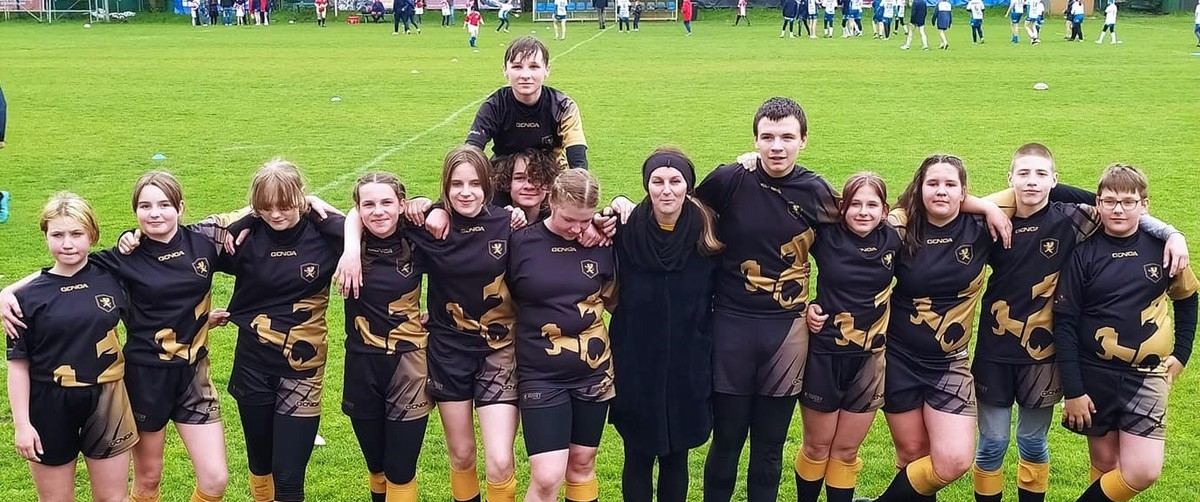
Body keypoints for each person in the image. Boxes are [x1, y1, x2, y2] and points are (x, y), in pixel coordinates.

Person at [969, 146, 1188, 502]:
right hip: (994, 350)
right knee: (992, 443)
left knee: (1031, 441)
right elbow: (947, 206)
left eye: (1041, 174)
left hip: (1043, 354)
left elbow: (1122, 208)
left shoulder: (1074, 218)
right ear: (1009, 178)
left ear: (1055, 180)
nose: (1032, 181)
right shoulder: (992, 221)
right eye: (1023, 173)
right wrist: (986, 207)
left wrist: (1172, 233)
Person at [341, 146, 521, 502]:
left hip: (497, 353)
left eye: (474, 183)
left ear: (487, 185)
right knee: (462, 455)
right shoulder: (426, 227)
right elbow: (363, 211)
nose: (466, 192)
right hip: (448, 352)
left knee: (500, 462)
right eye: (456, 184)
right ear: (445, 187)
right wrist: (350, 248)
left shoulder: (508, 223)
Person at [690, 97, 841, 502]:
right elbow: (678, 216)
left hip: (787, 333)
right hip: (731, 326)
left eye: (787, 137)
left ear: (803, 140)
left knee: (770, 446)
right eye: (768, 137)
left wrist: (822, 303)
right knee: (726, 441)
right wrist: (619, 208)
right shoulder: (728, 179)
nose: (777, 147)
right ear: (754, 140)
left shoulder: (817, 191)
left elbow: (847, 253)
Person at [1054, 164, 1198, 502]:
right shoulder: (1083, 254)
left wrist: (1182, 353)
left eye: (1128, 202)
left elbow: (1188, 298)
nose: (1118, 209)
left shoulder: (1163, 249)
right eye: (1109, 201)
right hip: (1095, 374)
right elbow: (1065, 323)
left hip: (1147, 375)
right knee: (1105, 465)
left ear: (1144, 205)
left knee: (1143, 471)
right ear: (1098, 204)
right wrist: (1074, 391)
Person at [855, 155, 996, 501]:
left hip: (949, 362)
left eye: (950, 184)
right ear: (919, 188)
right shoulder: (900, 227)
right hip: (898, 357)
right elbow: (847, 217)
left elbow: (1035, 192)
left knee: (954, 460)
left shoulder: (979, 226)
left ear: (964, 191)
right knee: (912, 454)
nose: (941, 191)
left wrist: (987, 207)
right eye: (933, 184)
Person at [218, 159, 345, 502]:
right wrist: (132, 237)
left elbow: (376, 225)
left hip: (303, 370)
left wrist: (321, 207)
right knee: (260, 465)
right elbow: (179, 242)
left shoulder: (326, 234)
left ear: (301, 197)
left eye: (285, 205)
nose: (275, 215)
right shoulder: (243, 236)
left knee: (288, 476)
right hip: (252, 366)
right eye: (266, 206)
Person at [5, 192, 138, 502]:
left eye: (77, 234)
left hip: (107, 399)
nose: (67, 243)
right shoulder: (25, 299)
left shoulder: (113, 276)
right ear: (46, 236)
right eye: (58, 235)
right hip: (49, 404)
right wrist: (22, 424)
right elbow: (18, 365)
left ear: (92, 235)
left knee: (112, 498)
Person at [606, 148, 722, 502]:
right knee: (637, 455)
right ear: (646, 185)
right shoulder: (626, 229)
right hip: (636, 359)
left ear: (688, 185)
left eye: (675, 181)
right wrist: (614, 205)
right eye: (657, 181)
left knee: (676, 456)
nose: (666, 190)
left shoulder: (707, 230)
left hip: (689, 361)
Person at [508, 169, 617, 502]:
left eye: (585, 220)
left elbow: (617, 300)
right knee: (546, 477)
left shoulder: (601, 242)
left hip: (593, 372)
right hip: (541, 374)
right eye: (569, 219)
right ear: (552, 201)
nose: (577, 229)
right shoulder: (521, 242)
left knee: (582, 463)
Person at [793, 173, 899, 502]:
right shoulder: (826, 236)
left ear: (884, 210)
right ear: (842, 207)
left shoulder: (894, 237)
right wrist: (806, 307)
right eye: (855, 204)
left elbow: (939, 205)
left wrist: (987, 209)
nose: (863, 212)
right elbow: (787, 262)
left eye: (872, 205)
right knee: (817, 445)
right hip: (825, 354)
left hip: (869, 359)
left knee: (846, 450)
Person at [341, 173, 431, 502]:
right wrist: (351, 249)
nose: (378, 211)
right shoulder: (343, 239)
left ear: (402, 205)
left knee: (401, 469)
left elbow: (460, 266)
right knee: (376, 467)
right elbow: (303, 204)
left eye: (387, 203)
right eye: (369, 204)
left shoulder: (419, 237)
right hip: (361, 364)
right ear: (357, 209)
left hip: (409, 365)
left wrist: (440, 312)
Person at [467, 37, 588, 170]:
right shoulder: (495, 106)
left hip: (552, 175)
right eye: (517, 67)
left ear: (547, 69)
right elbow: (472, 150)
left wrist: (579, 180)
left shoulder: (563, 107)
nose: (525, 75)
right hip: (504, 176)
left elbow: (578, 159)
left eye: (534, 67)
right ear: (505, 70)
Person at [491, 148, 561, 224]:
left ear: (548, 183)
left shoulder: (559, 222)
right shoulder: (492, 221)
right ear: (508, 182)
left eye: (537, 178)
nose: (529, 186)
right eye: (519, 178)